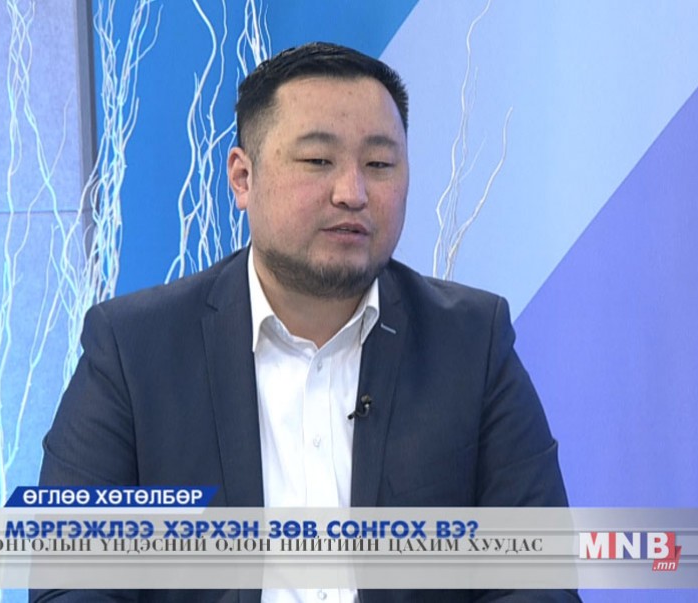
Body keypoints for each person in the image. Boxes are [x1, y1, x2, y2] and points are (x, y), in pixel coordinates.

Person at [33, 42, 578, 602]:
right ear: (242, 178)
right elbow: (71, 583)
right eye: (319, 161)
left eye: (380, 165)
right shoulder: (133, 350)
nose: (352, 193)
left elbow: (538, 579)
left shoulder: (471, 343)